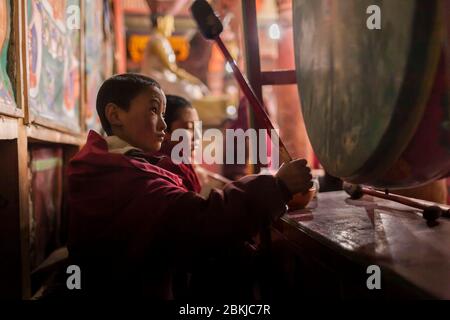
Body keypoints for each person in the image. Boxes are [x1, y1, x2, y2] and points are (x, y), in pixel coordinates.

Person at [66, 73, 313, 299]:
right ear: (115, 115)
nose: (162, 126)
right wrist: (277, 186)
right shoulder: (117, 177)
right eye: (154, 111)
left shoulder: (118, 163)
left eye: (163, 115)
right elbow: (200, 219)